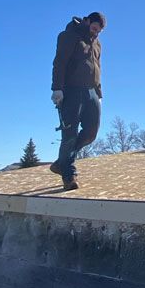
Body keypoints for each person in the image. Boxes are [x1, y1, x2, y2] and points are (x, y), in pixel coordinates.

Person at [50, 11, 106, 189]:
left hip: (91, 92)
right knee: (70, 134)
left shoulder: (97, 43)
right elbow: (59, 62)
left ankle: (61, 162)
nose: (95, 33)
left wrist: (99, 93)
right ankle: (69, 175)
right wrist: (57, 88)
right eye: (94, 28)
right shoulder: (69, 36)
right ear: (87, 21)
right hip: (71, 90)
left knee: (91, 132)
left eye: (99, 31)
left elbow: (97, 68)